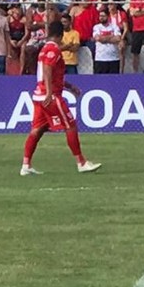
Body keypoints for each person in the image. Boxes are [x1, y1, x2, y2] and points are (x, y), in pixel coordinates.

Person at [20, 20, 101, 175]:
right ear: (61, 34)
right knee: (70, 125)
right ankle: (81, 163)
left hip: (39, 96)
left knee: (37, 130)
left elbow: (54, 74)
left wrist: (69, 87)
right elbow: (47, 70)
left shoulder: (44, 48)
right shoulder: (53, 49)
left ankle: (26, 165)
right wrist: (50, 92)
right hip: (49, 96)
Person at [91, 7, 123, 74]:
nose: (101, 18)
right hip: (100, 59)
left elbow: (118, 39)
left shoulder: (114, 26)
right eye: (100, 16)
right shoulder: (96, 27)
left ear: (108, 16)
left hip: (113, 59)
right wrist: (111, 36)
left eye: (103, 16)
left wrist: (104, 38)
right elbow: (98, 39)